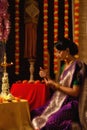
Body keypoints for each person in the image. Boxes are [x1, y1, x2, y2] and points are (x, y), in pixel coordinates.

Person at [30, 37, 86, 130]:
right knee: (34, 113)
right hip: (57, 101)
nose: (57, 55)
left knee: (50, 122)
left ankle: (72, 126)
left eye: (59, 52)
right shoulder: (63, 66)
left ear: (67, 50)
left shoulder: (78, 65)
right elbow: (58, 88)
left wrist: (56, 85)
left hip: (70, 103)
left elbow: (75, 92)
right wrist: (47, 77)